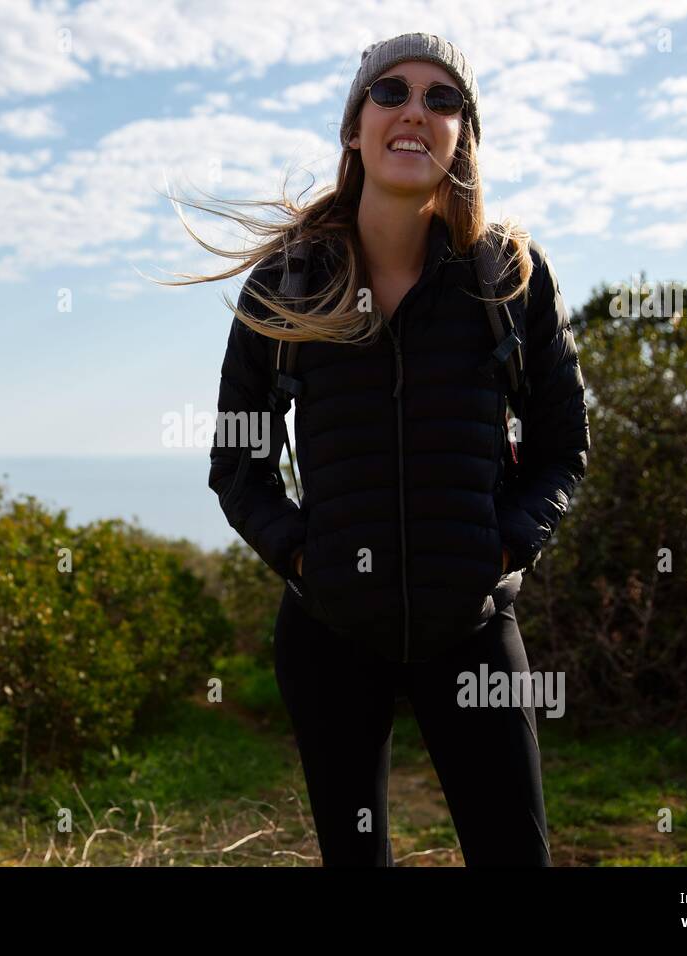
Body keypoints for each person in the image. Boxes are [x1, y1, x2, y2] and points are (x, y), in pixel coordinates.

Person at [164, 33, 590, 866]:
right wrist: (299, 558)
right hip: (330, 631)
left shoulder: (510, 279)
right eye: (389, 92)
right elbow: (238, 461)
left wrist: (503, 546)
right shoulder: (289, 283)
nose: (415, 112)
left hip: (470, 626)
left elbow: (563, 448)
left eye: (443, 99)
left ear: (463, 135)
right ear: (354, 128)